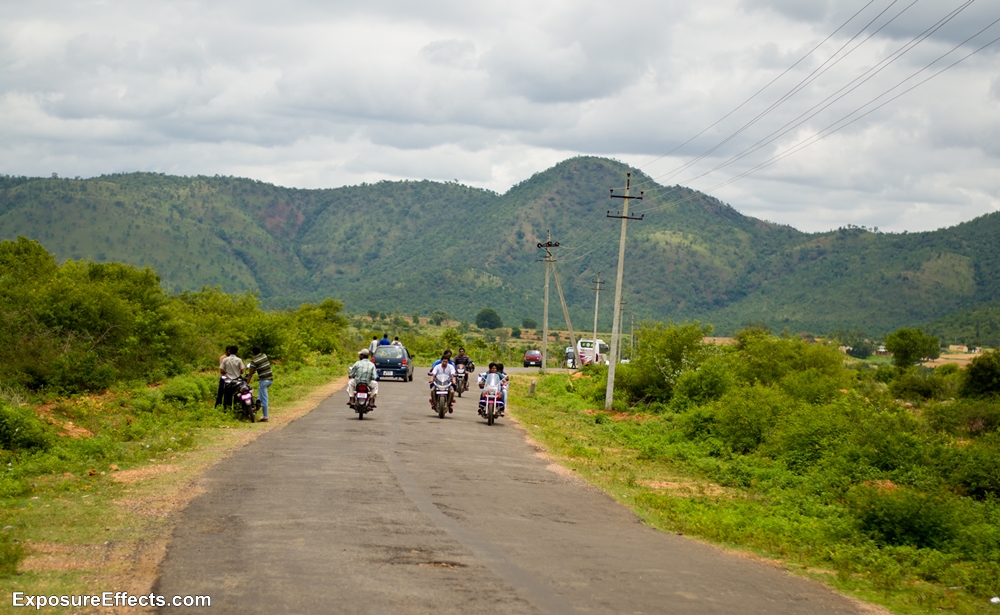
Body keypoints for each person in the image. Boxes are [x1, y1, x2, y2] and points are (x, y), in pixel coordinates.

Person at [246, 345, 273, 423]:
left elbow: (250, 374)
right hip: (270, 379)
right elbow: (261, 366)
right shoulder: (264, 355)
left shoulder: (254, 361)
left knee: (264, 398)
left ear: (253, 352)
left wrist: (247, 383)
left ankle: (265, 417)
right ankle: (258, 402)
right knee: (260, 392)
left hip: (264, 380)